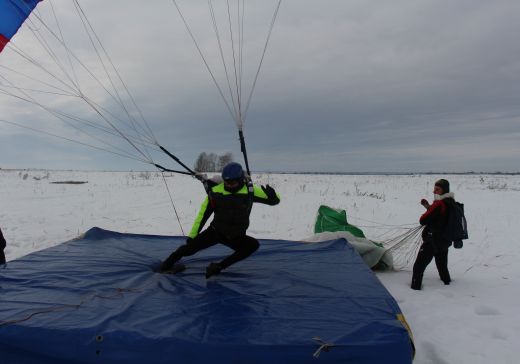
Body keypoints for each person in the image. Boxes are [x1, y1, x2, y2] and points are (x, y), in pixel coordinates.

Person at [159, 162, 280, 278]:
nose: (229, 185)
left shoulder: (250, 191)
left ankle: (218, 267)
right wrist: (192, 235)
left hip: (235, 236)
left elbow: (273, 202)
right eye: (227, 182)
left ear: (241, 179)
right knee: (188, 249)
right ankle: (167, 263)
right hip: (215, 232)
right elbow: (203, 215)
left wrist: (273, 197)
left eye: (233, 182)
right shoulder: (216, 192)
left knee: (252, 245)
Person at [411, 179, 455, 290]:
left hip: (433, 241)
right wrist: (428, 207)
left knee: (418, 266)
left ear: (444, 190)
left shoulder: (439, 203)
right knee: (442, 265)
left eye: (437, 189)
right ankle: (447, 283)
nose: (434, 191)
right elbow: (440, 216)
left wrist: (428, 211)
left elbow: (423, 220)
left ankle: (415, 289)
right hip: (445, 241)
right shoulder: (450, 201)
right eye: (434, 188)